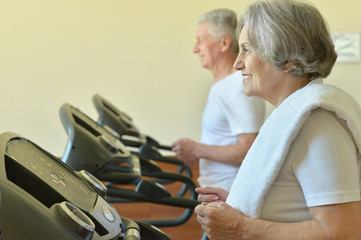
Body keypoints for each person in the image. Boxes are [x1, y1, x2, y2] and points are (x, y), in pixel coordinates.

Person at [194, 0, 361, 239]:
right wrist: (239, 203)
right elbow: (291, 203)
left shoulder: (317, 124)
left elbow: (342, 232)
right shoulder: (291, 116)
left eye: (247, 49)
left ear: (286, 58)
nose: (237, 63)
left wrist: (240, 227)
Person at [171, 9, 265, 191]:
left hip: (231, 193)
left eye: (201, 40)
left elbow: (249, 150)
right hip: (218, 191)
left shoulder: (238, 86)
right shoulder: (225, 86)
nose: (195, 48)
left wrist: (197, 149)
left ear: (224, 43)